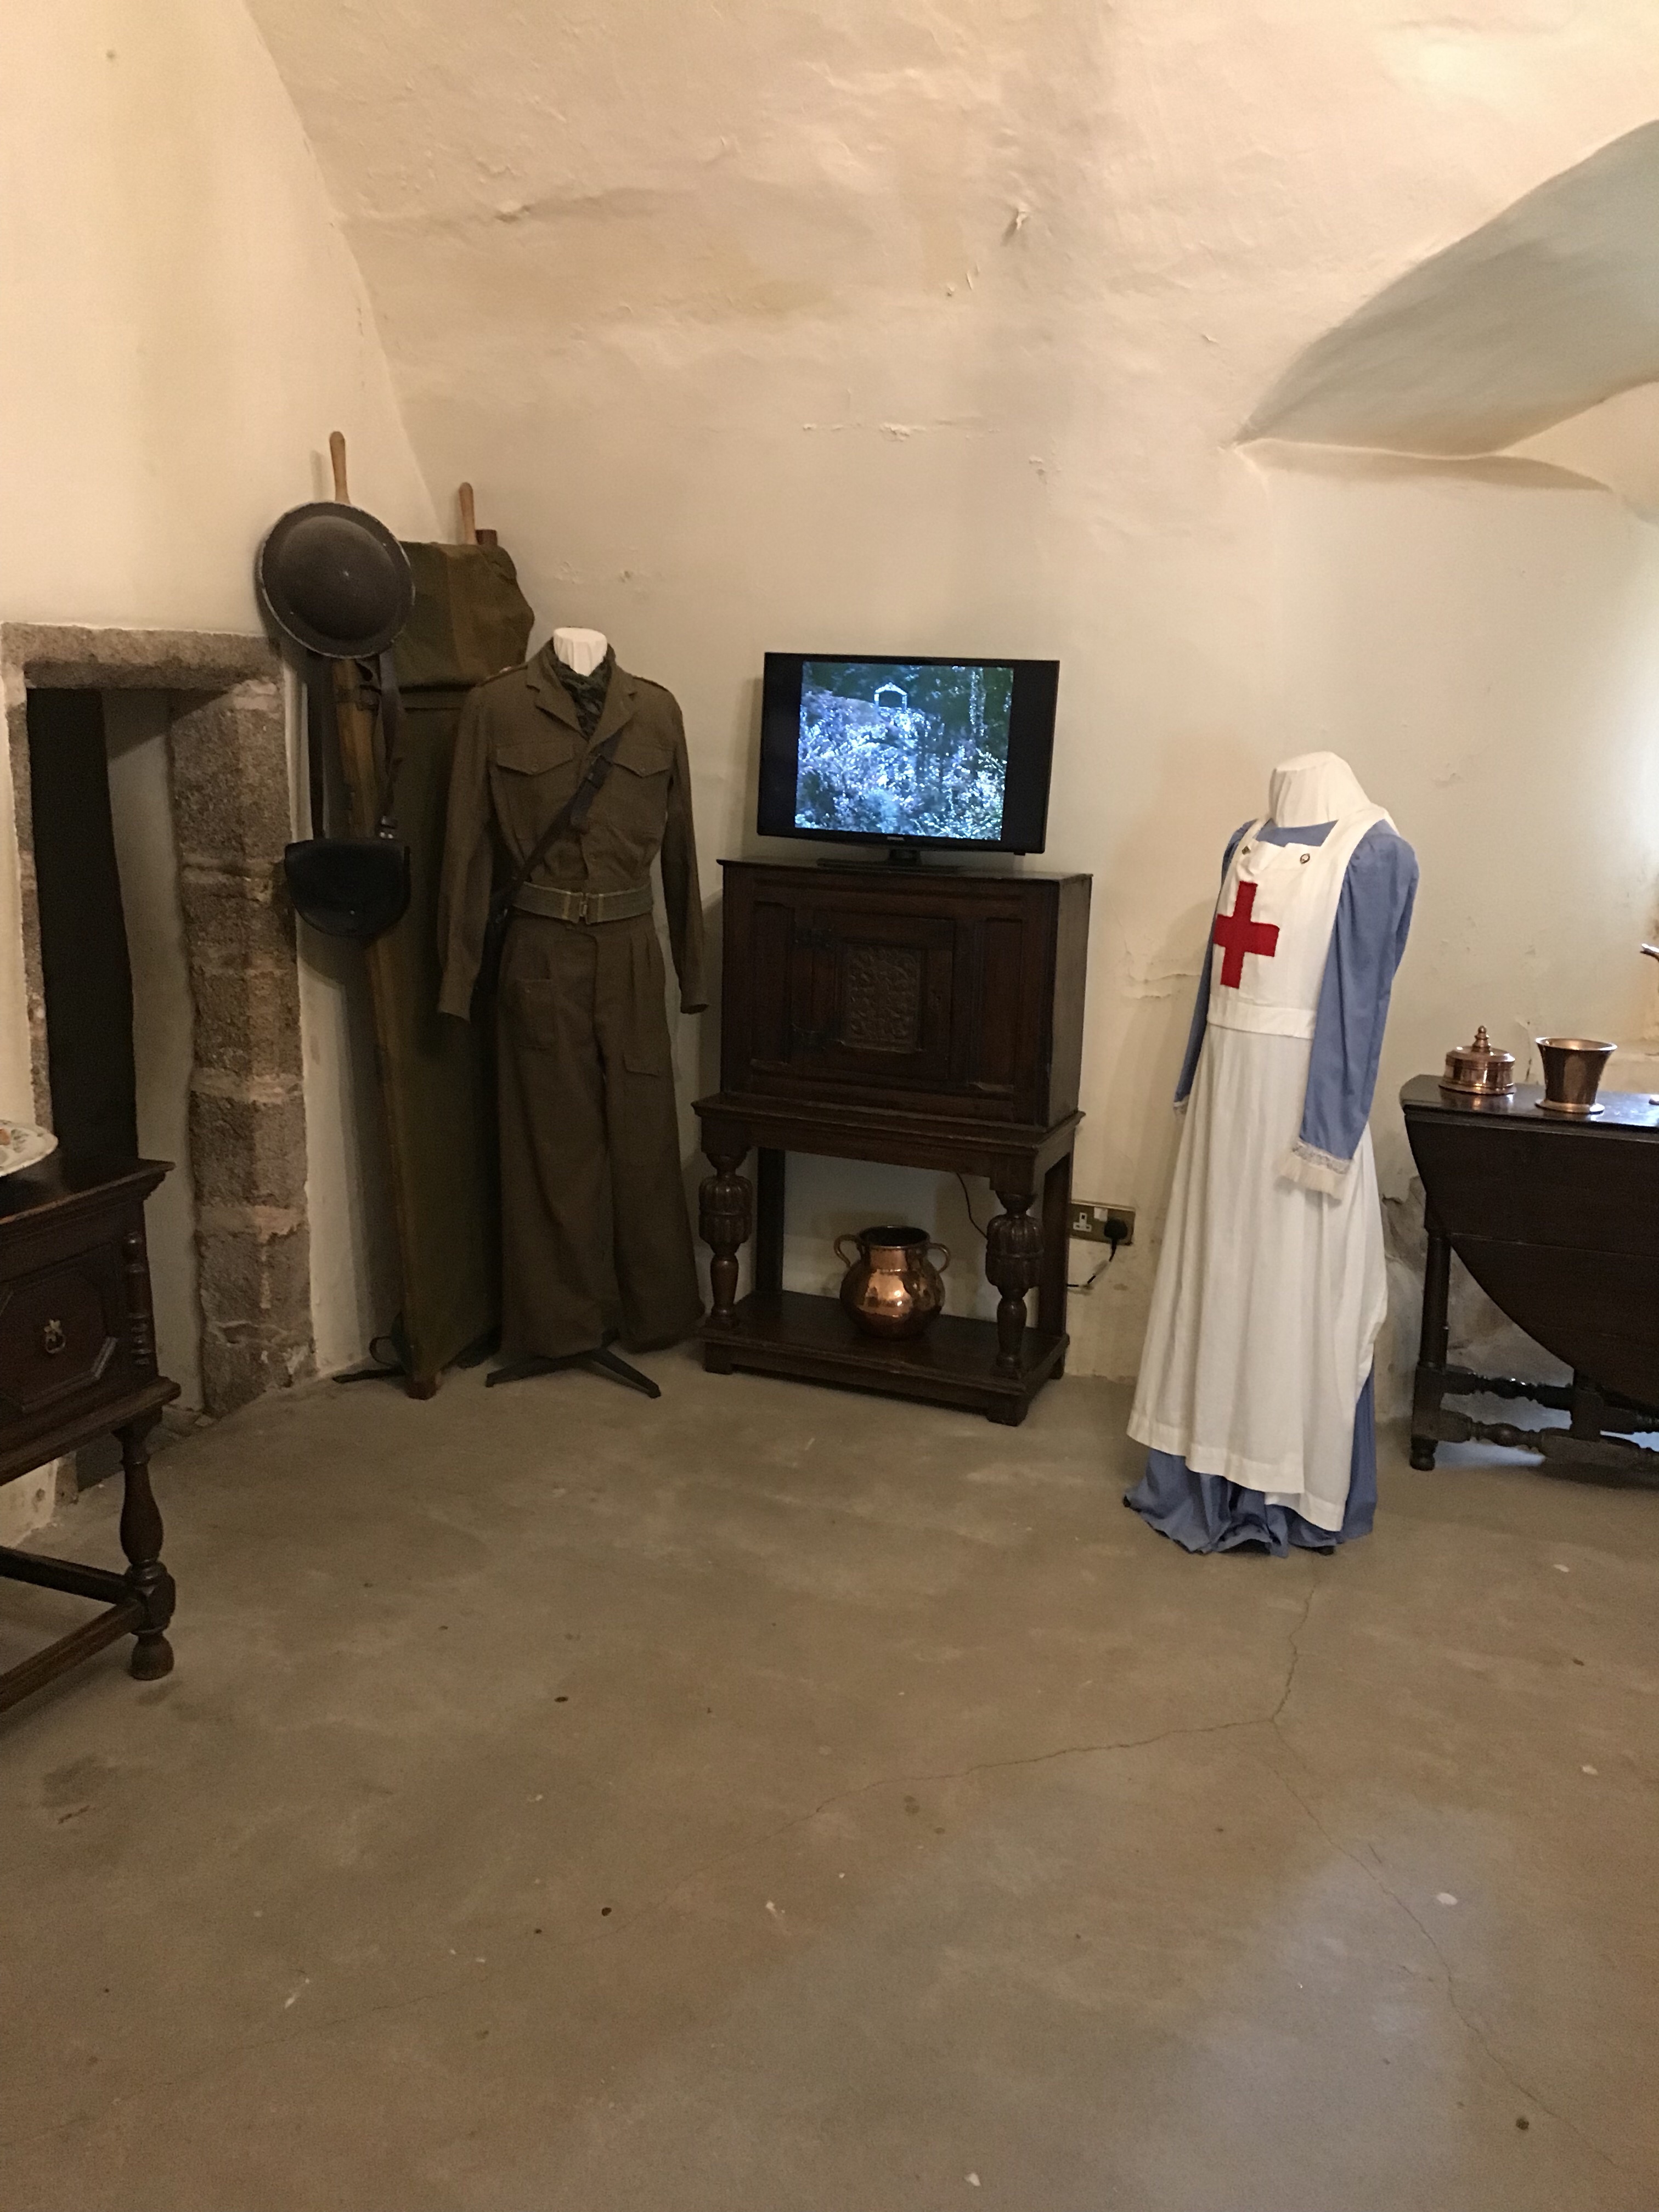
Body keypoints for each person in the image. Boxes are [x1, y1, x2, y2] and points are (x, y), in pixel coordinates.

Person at [1126, 752, 1418, 1554]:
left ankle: (1277, 1489)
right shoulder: (1244, 840)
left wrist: (1324, 1136)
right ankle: (1198, 1472)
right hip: (1226, 1105)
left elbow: (1359, 1007)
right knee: (1217, 1276)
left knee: (1293, 1286)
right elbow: (1214, 986)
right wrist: (1195, 1076)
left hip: (1301, 1110)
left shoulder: (1374, 854)